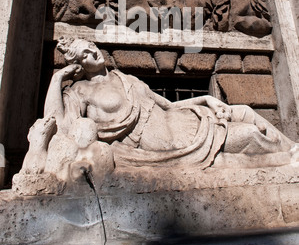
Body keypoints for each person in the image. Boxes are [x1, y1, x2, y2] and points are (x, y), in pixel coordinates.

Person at [17, 38, 299, 189]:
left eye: (92, 47)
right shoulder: (79, 92)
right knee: (248, 135)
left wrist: (206, 100)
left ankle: (294, 150)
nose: (94, 52)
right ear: (78, 65)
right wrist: (58, 79)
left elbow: (167, 104)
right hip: (163, 143)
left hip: (180, 120)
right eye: (85, 55)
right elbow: (57, 124)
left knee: (245, 112)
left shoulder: (124, 76)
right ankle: (288, 162)